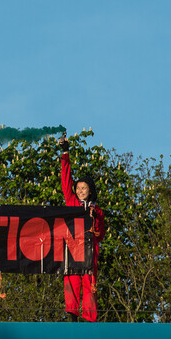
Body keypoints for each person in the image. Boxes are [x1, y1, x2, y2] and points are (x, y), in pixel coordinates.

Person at [58, 135, 106, 322]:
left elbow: (100, 234)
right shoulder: (71, 203)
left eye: (84, 188)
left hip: (88, 252)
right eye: (78, 188)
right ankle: (72, 313)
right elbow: (65, 179)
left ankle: (90, 317)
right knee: (71, 279)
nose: (80, 191)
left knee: (89, 283)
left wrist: (94, 222)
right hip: (72, 249)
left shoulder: (97, 210)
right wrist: (65, 153)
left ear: (90, 190)